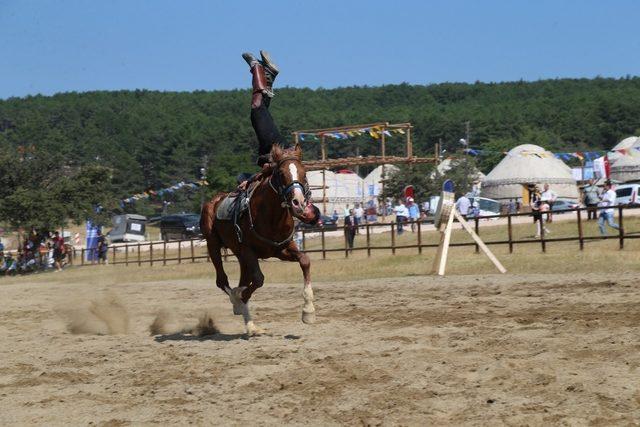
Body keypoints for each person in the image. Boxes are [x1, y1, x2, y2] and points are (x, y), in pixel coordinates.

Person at [240, 50, 320, 224]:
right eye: (307, 213)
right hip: (276, 151)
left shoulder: (288, 198)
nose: (301, 214)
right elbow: (285, 169)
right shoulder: (301, 190)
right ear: (310, 205)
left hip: (269, 154)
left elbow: (272, 176)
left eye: (303, 218)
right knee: (257, 109)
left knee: (262, 110)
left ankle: (268, 74)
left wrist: (250, 180)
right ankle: (257, 68)